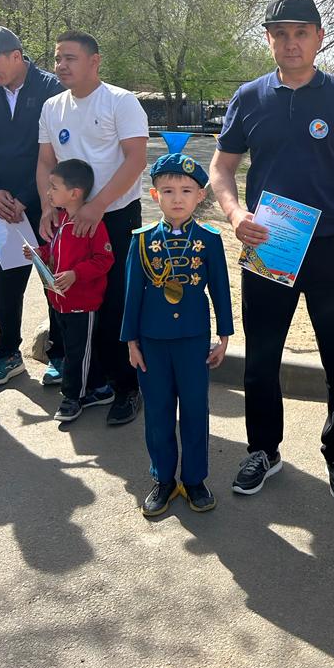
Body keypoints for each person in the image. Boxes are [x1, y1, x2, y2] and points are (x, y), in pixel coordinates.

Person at [210, 0, 334, 501]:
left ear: (319, 37)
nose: (291, 43)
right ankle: (263, 451)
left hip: (332, 245)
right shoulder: (249, 97)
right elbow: (221, 169)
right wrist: (235, 214)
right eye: (281, 34)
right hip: (271, 243)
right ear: (269, 39)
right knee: (261, 356)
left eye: (301, 33)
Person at [37, 31, 149, 426]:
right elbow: (46, 161)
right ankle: (93, 384)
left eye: (69, 58)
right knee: (77, 300)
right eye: (57, 58)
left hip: (114, 216)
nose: (61, 66)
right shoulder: (52, 107)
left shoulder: (121, 101)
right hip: (70, 220)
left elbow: (136, 159)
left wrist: (97, 206)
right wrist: (48, 207)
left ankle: (127, 388)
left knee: (116, 302)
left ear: (94, 61)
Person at [121, 153, 233, 517]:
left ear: (200, 196)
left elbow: (220, 289)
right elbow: (132, 295)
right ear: (155, 196)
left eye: (186, 190)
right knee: (158, 411)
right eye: (167, 191)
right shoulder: (141, 241)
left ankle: (195, 479)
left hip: (193, 340)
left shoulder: (209, 240)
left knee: (196, 409)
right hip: (151, 341)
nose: (177, 198)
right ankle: (164, 479)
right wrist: (131, 342)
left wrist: (225, 336)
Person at [0, 25, 66, 387]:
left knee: (53, 282)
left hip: (47, 206)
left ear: (16, 56)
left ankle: (60, 355)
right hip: (4, 208)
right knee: (7, 285)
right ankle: (8, 355)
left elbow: (57, 151)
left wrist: (29, 197)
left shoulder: (51, 89)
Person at [26, 159, 114, 422]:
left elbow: (104, 259)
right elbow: (54, 252)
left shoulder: (93, 224)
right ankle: (101, 389)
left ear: (74, 193)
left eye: (54, 187)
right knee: (80, 349)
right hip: (60, 301)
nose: (48, 192)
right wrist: (39, 253)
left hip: (82, 303)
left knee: (77, 354)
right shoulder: (61, 219)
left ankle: (72, 398)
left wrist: (76, 274)